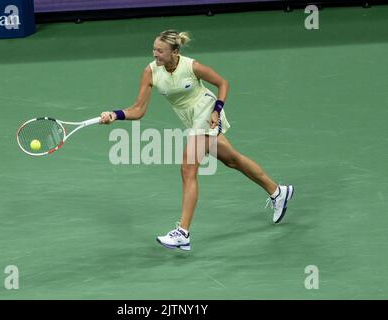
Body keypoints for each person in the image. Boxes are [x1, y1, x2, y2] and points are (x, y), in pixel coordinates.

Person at [100, 30, 294, 251]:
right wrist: (115, 115)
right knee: (232, 160)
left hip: (206, 111)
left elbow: (222, 83)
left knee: (187, 168)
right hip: (190, 119)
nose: (155, 54)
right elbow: (138, 110)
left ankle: (183, 232)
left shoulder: (192, 66)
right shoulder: (150, 72)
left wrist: (217, 111)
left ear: (174, 52)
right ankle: (278, 192)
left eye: (160, 51)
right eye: (154, 49)